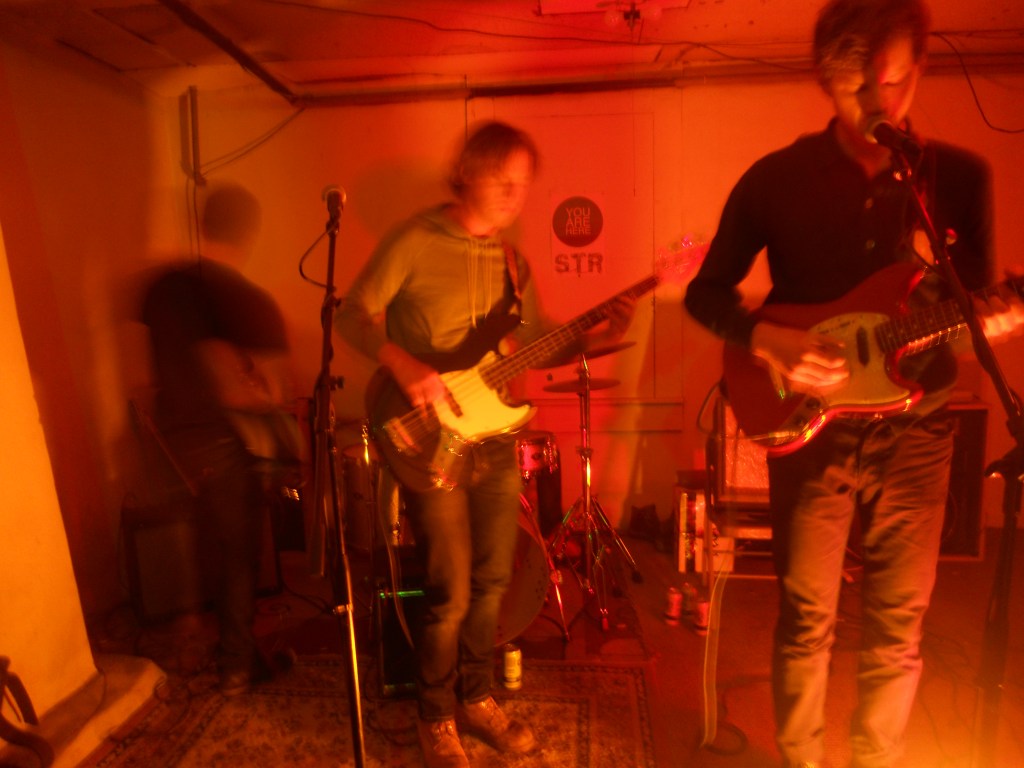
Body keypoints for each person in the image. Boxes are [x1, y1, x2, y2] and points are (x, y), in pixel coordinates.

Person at [684, 1, 1024, 766]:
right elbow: (707, 294)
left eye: (893, 82)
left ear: (921, 67)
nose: (877, 104)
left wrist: (991, 321)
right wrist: (766, 338)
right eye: (854, 89)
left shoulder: (959, 178)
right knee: (807, 617)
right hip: (812, 428)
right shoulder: (775, 179)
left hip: (919, 429)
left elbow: (968, 307)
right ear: (823, 81)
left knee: (899, 626)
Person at [335, 121, 634, 768]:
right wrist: (403, 363)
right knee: (450, 587)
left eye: (522, 186)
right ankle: (435, 715)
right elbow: (350, 315)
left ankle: (476, 697)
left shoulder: (513, 263)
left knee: (494, 578)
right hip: (427, 433)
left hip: (495, 436)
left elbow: (537, 341)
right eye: (502, 181)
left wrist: (598, 335)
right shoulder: (415, 240)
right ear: (467, 173)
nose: (513, 197)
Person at [141, 182, 302, 696]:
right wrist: (261, 392)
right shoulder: (247, 300)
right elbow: (265, 391)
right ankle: (235, 666)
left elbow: (147, 370)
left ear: (203, 223)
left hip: (171, 440)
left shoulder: (161, 287)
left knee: (196, 547)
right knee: (237, 557)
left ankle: (197, 642)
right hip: (227, 443)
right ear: (248, 233)